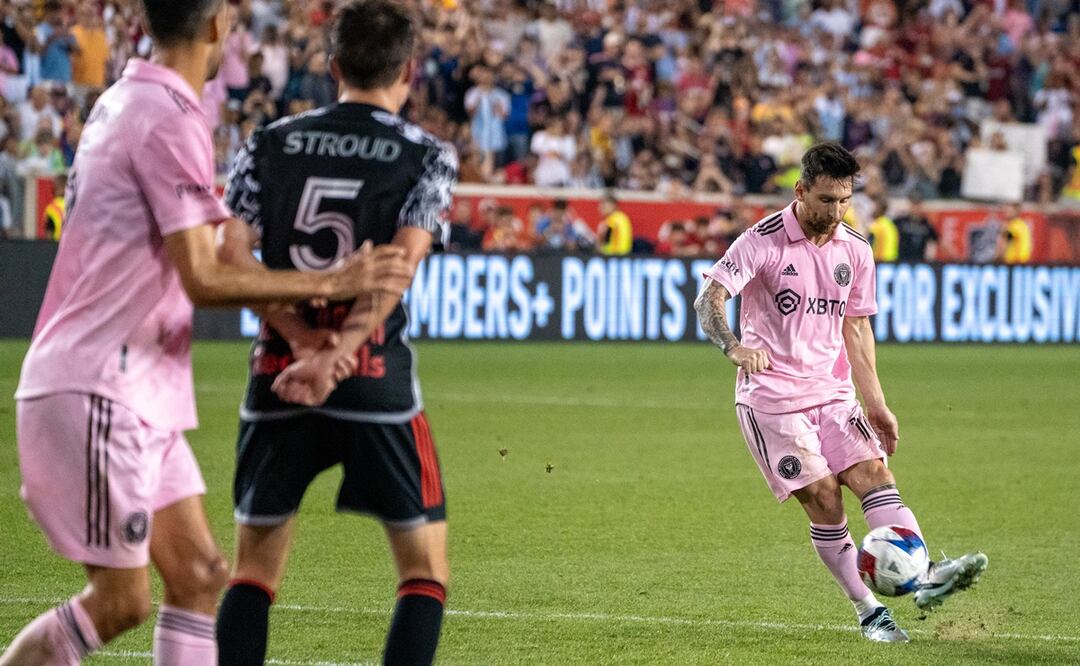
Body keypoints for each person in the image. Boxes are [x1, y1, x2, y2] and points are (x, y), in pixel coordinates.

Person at [3, 1, 412, 663]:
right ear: (218, 23)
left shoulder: (126, 101)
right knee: (120, 601)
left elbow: (211, 258)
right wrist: (331, 283)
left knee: (197, 575)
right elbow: (204, 278)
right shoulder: (167, 116)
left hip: (133, 388)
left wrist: (300, 335)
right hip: (101, 385)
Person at [213, 2, 457, 664]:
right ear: (409, 70)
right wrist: (339, 352)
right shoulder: (427, 155)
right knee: (423, 572)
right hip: (373, 379)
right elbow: (398, 267)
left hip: (277, 376)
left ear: (333, 66)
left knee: (253, 571)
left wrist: (300, 340)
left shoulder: (267, 143)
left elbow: (230, 259)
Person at [694, 143, 987, 643]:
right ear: (801, 190)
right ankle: (869, 610)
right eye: (826, 200)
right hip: (773, 401)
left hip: (833, 393)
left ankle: (925, 576)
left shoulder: (855, 248)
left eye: (845, 200)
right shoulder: (760, 241)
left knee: (875, 473)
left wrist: (877, 403)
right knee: (826, 501)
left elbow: (857, 330)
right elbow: (710, 298)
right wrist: (733, 346)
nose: (835, 213)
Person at [894, 194, 938, 262]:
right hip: (902, 260)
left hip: (920, 261)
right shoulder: (900, 221)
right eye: (913, 205)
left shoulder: (926, 224)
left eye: (917, 205)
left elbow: (935, 240)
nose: (915, 208)